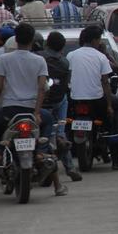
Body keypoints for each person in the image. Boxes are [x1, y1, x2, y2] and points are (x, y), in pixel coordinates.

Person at [0, 23, 65, 195]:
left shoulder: (4, 59)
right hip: (31, 111)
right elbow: (42, 88)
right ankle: (41, 153)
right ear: (33, 40)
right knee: (49, 121)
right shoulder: (39, 60)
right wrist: (36, 112)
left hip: (9, 111)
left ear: (15, 39)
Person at [68, 25, 118, 169]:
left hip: (76, 100)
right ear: (95, 40)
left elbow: (68, 77)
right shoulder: (101, 57)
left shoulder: (71, 55)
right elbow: (105, 82)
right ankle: (117, 158)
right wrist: (109, 106)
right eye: (99, 39)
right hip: (97, 100)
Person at [42, 31, 81, 181]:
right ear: (62, 47)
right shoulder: (65, 62)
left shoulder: (40, 58)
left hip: (42, 104)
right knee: (60, 134)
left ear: (47, 44)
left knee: (44, 135)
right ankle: (70, 167)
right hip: (58, 102)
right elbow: (66, 85)